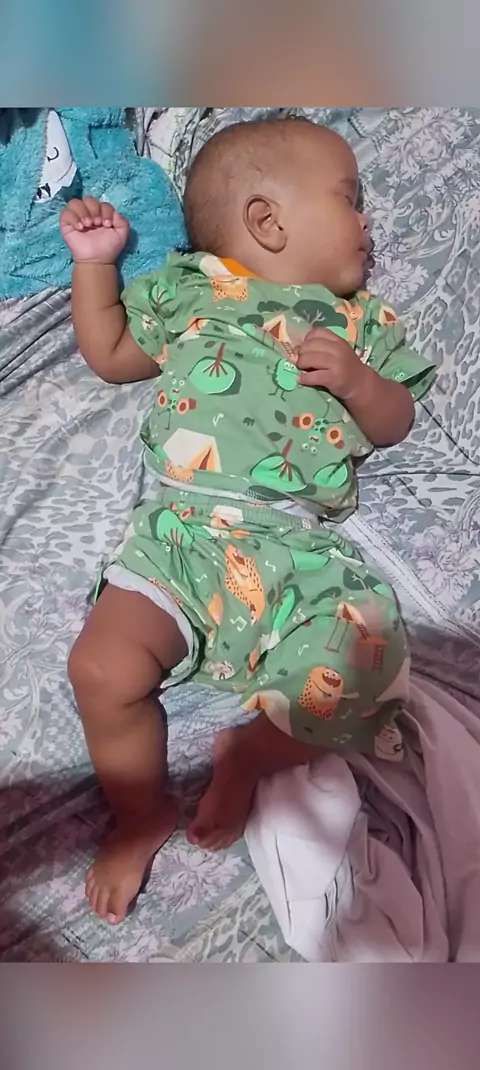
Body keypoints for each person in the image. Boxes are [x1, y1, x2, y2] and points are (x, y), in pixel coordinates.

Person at [61, 118, 435, 925]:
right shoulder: (190, 292)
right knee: (101, 669)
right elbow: (112, 353)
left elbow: (395, 420)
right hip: (181, 536)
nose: (368, 220)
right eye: (350, 199)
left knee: (372, 663)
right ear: (267, 221)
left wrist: (359, 382)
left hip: (295, 548)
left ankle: (253, 752)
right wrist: (94, 267)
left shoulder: (359, 324)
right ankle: (140, 811)